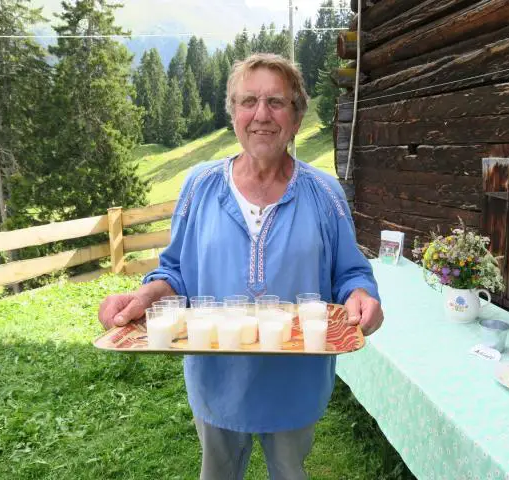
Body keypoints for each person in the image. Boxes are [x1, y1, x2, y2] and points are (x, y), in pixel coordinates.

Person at [98, 53, 383, 480]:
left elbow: (350, 274)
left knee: (289, 470)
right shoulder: (200, 185)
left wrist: (362, 296)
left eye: (277, 102)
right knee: (218, 472)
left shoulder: (324, 193)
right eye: (248, 101)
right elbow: (175, 272)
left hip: (295, 384)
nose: (261, 115)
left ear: (297, 116)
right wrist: (144, 296)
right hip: (216, 379)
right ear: (232, 112)